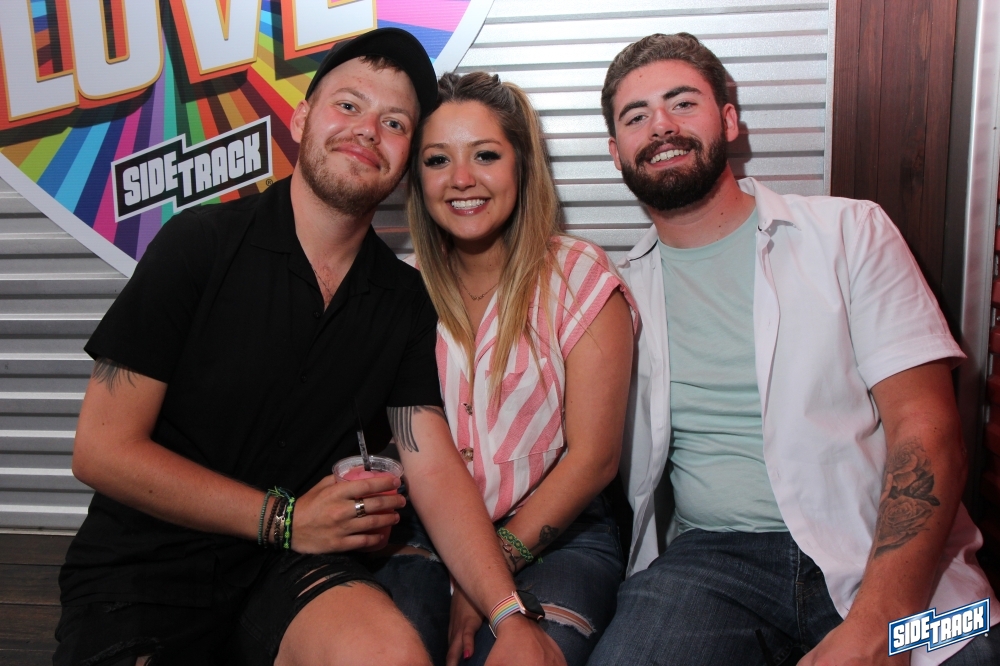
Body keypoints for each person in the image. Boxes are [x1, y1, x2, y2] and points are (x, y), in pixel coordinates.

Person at [55, 29, 565, 666]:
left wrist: (508, 613)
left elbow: (431, 463)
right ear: (300, 120)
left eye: (394, 122)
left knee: (391, 655)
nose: (367, 130)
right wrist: (284, 519)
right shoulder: (200, 244)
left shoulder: (404, 298)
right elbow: (101, 450)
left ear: (406, 157)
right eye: (348, 105)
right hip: (148, 570)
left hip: (291, 570)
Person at [588, 32, 1000, 666]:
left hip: (884, 548)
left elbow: (930, 430)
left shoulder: (850, 230)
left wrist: (882, 626)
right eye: (636, 116)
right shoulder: (616, 294)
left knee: (972, 645)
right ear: (617, 153)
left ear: (729, 121)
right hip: (712, 563)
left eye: (683, 103)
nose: (662, 126)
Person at [380, 71, 635, 666]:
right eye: (437, 160)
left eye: (485, 155)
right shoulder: (400, 291)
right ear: (416, 177)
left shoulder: (579, 274)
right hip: (424, 534)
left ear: (521, 164)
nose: (461, 179)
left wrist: (488, 579)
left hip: (560, 534)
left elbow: (594, 459)